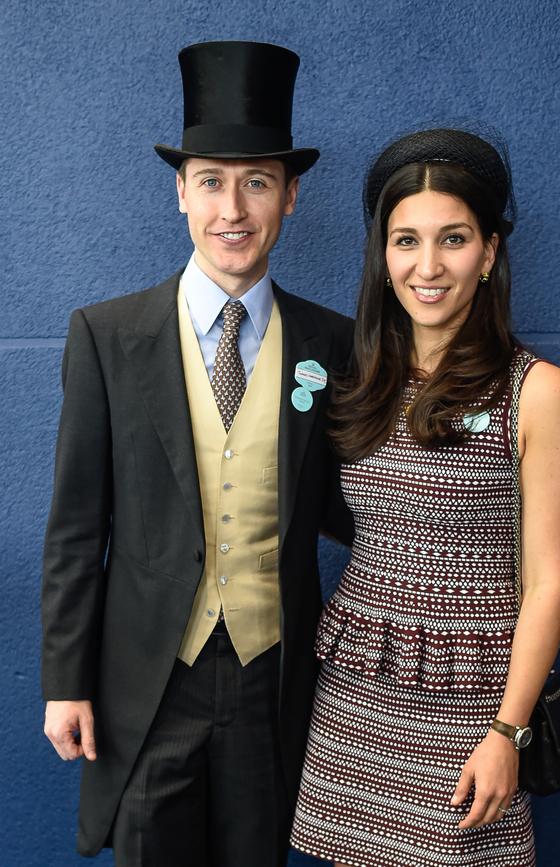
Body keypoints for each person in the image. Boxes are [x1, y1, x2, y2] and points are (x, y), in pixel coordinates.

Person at [41, 40, 353, 867]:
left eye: (257, 183)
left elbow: (360, 504)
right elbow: (76, 528)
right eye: (211, 181)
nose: (233, 210)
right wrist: (65, 680)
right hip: (147, 683)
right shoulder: (107, 336)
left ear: (291, 197)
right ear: (181, 192)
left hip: (272, 678)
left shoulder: (335, 342)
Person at [290, 127, 560, 866]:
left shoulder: (538, 393)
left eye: (453, 239)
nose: (428, 266)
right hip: (356, 695)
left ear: (489, 253)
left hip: (473, 712)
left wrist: (508, 732)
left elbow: (548, 584)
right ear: (382, 254)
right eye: (405, 241)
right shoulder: (361, 382)